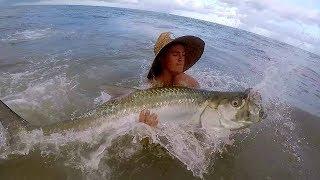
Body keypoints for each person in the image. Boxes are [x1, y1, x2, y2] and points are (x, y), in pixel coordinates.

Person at [139, 32, 205, 127]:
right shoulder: (151, 87)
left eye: (183, 54)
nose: (181, 59)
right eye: (175, 54)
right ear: (162, 58)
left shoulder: (190, 84)